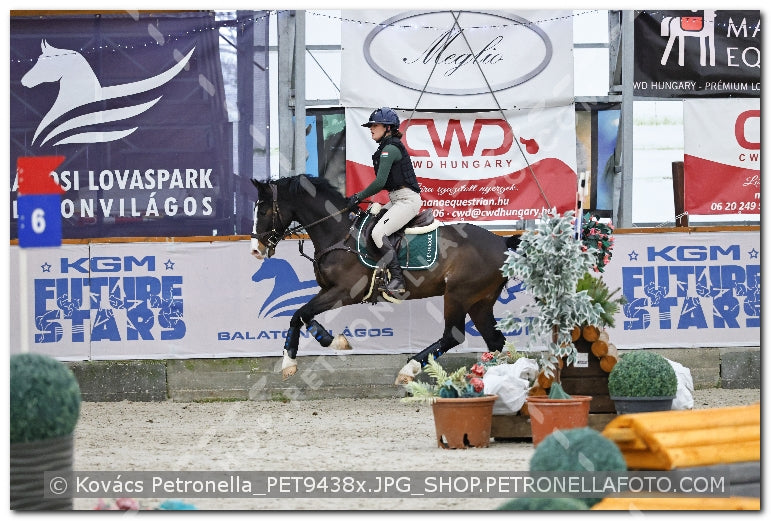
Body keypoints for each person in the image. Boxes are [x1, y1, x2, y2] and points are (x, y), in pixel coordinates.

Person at [347, 107, 423, 298]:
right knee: (369, 219)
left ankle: (397, 279)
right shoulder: (385, 148)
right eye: (371, 125)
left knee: (379, 232)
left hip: (407, 201)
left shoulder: (390, 149)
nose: (371, 128)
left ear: (388, 128)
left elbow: (380, 183)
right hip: (397, 200)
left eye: (375, 125)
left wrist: (357, 196)